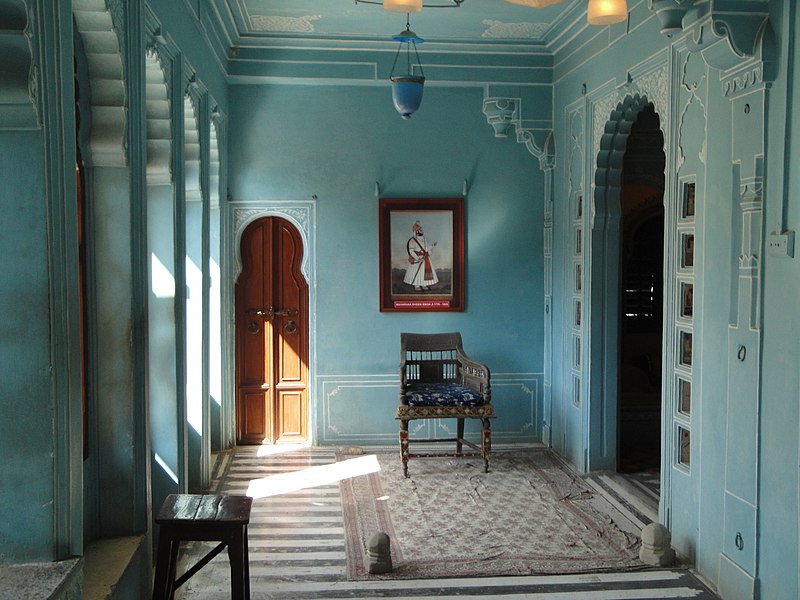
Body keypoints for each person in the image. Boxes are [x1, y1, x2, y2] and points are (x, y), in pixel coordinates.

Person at [403, 221, 438, 290]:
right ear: (416, 231)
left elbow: (426, 248)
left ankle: (423, 284)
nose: (422, 231)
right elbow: (411, 251)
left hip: (425, 258)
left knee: (423, 272)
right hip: (417, 259)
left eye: (421, 229)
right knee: (417, 272)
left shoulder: (424, 239)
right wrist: (418, 259)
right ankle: (417, 286)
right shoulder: (412, 240)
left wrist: (432, 246)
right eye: (420, 229)